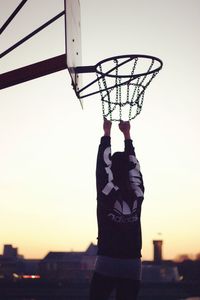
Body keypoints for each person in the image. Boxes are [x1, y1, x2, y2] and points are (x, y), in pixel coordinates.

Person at [89, 118, 145, 300]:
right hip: (132, 263)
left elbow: (102, 168)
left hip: (108, 260)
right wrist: (127, 135)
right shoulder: (137, 193)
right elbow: (134, 168)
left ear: (113, 171)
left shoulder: (107, 192)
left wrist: (107, 133)